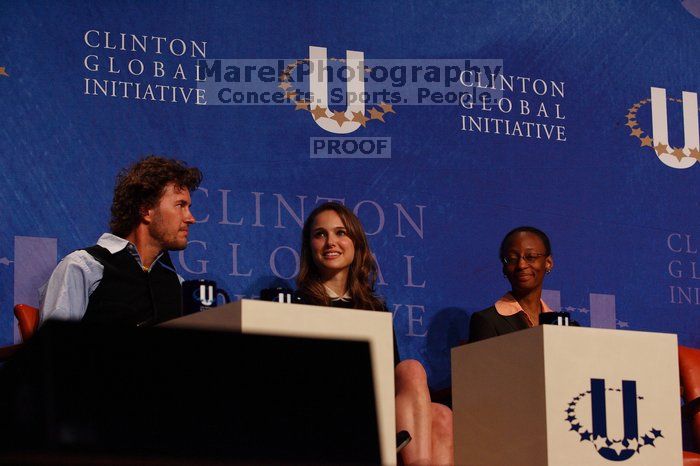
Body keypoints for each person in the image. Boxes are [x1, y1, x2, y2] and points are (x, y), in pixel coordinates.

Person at [296, 202, 453, 466]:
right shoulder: (299, 303)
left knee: (440, 413)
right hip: (328, 409)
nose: (330, 242)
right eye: (320, 234)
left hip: (375, 407)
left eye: (341, 233)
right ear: (309, 247)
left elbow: (393, 375)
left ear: (356, 243)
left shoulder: (374, 307)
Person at [39, 156, 202, 327]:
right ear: (146, 210)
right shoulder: (83, 267)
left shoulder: (178, 285)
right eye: (180, 205)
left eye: (188, 207)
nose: (190, 218)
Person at [469, 226, 554, 343]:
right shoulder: (488, 321)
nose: (521, 265)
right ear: (504, 268)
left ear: (548, 263)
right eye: (512, 259)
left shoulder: (561, 325)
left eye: (531, 257)